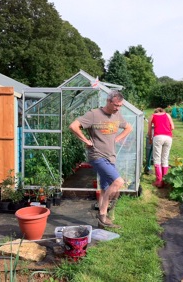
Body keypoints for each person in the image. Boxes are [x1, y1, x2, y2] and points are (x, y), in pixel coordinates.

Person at [69, 90, 132, 228]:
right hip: (97, 156)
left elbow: (128, 127)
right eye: (116, 105)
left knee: (105, 188)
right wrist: (85, 140)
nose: (118, 108)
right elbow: (73, 126)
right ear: (109, 101)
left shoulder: (117, 115)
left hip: (111, 157)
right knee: (118, 181)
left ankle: (101, 222)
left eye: (120, 106)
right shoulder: (93, 114)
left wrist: (118, 138)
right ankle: (103, 214)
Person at [147, 107, 174, 188]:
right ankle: (165, 181)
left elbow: (149, 131)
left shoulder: (152, 116)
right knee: (165, 159)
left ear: (155, 112)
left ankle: (159, 181)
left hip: (158, 137)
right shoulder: (167, 115)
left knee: (157, 158)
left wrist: (150, 139)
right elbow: (172, 127)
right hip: (168, 138)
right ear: (162, 111)